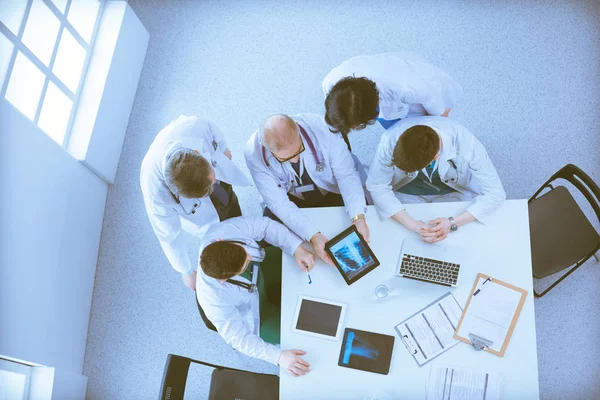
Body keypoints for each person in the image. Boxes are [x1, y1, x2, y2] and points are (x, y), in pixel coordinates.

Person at [140, 116, 250, 290]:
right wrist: (186, 271)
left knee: (230, 203)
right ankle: (234, 261)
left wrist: (223, 149)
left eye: (211, 181)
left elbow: (213, 130)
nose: (212, 188)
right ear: (177, 193)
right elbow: (168, 236)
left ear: (198, 153)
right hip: (202, 217)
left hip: (216, 177)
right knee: (218, 236)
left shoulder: (192, 126)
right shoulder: (155, 192)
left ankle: (243, 240)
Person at [196, 216, 315, 376]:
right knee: (304, 337)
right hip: (259, 313)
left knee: (311, 260)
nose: (250, 256)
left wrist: (296, 248)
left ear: (220, 240)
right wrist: (278, 357)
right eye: (245, 264)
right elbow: (239, 339)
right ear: (224, 280)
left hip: (262, 268)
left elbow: (265, 226)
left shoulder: (221, 231)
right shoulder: (213, 299)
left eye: (244, 251)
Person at [244, 113, 369, 265]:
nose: (294, 160)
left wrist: (358, 217)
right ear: (266, 148)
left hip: (329, 187)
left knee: (359, 211)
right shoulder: (254, 152)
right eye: (284, 159)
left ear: (297, 127)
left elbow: (346, 175)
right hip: (291, 196)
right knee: (277, 235)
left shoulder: (322, 127)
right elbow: (279, 203)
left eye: (298, 151)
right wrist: (313, 236)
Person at [366, 116, 505, 242]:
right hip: (406, 191)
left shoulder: (464, 140)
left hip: (452, 191)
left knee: (462, 240)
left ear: (435, 157)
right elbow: (377, 187)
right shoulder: (390, 139)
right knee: (396, 238)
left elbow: (496, 193)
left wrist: (452, 223)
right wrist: (413, 225)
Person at [322, 52, 463, 148]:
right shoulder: (330, 83)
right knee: (396, 129)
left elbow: (431, 96)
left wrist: (439, 116)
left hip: (414, 96)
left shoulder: (407, 86)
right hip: (383, 105)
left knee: (426, 131)